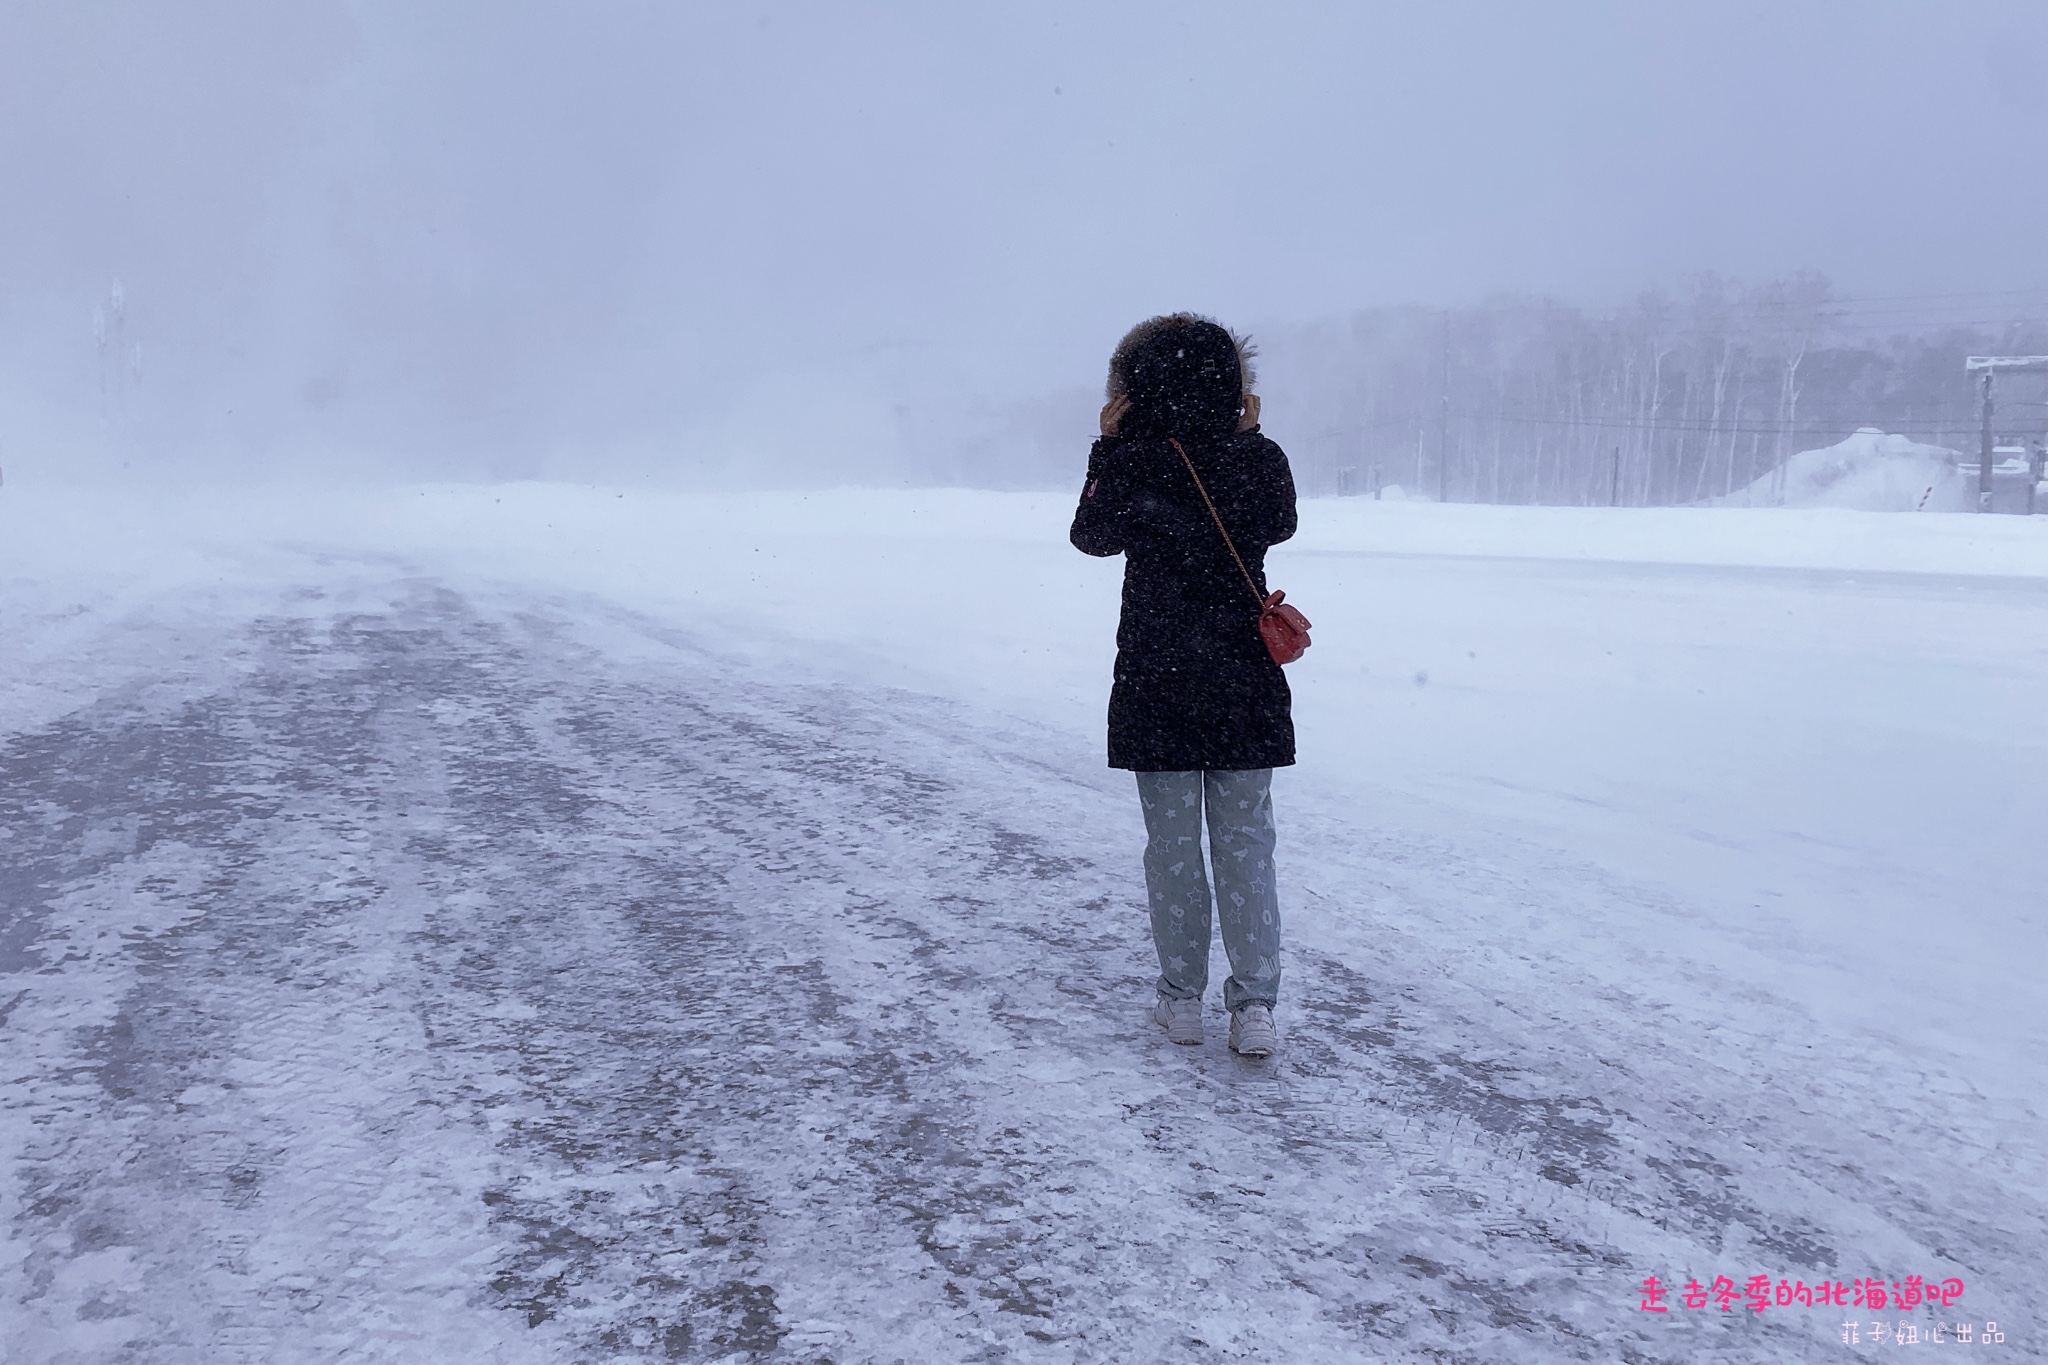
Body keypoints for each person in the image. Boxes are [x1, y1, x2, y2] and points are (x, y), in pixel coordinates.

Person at [1069, 313, 1298, 1057]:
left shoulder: (1135, 461)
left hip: (1157, 674)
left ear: (1136, 389)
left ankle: (1181, 999)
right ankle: (1255, 1005)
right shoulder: (1252, 459)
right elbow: (1281, 521)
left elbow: (1091, 536)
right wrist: (1249, 437)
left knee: (1171, 846)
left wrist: (1108, 445)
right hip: (1241, 681)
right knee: (1247, 843)